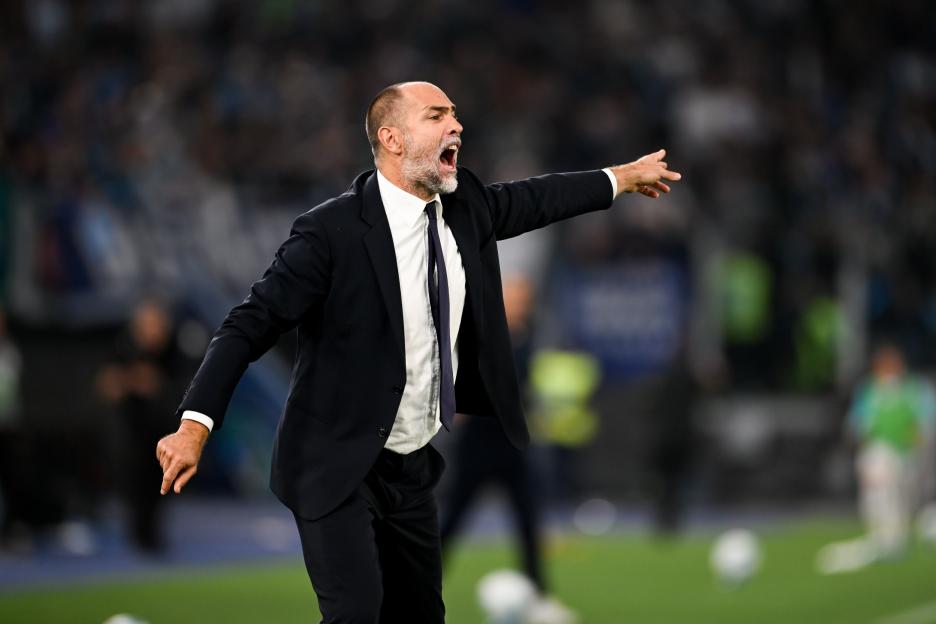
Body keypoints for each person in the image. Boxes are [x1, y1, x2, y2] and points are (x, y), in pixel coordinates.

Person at [156, 81, 681, 623]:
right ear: (393, 139)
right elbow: (248, 325)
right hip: (333, 460)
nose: (456, 125)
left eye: (454, 114)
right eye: (436, 116)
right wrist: (195, 424)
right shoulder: (329, 232)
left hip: (410, 466)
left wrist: (618, 178)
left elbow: (534, 199)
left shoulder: (465, 205)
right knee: (356, 615)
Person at [98, 300, 186, 553]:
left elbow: (182, 388)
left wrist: (156, 385)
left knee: (159, 486)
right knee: (134, 483)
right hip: (131, 432)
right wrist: (131, 381)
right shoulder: (122, 347)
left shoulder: (174, 353)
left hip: (164, 431)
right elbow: (106, 384)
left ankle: (151, 535)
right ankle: (138, 536)